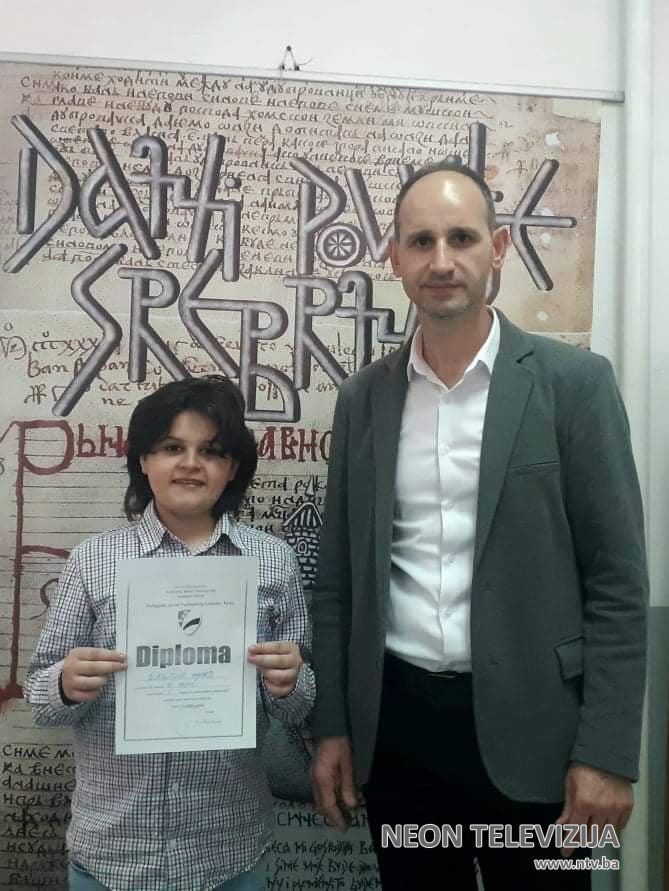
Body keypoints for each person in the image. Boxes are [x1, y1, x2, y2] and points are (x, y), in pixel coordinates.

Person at [309, 161, 648, 889]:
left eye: (460, 238)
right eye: (420, 241)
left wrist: (608, 753)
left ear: (497, 248)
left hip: (540, 737)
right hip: (399, 736)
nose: (441, 261)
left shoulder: (574, 385)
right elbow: (336, 580)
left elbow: (617, 583)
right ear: (394, 257)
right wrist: (332, 724)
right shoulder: (364, 398)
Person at [25, 375, 314, 891]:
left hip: (229, 850)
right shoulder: (94, 561)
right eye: (172, 447)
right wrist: (65, 684)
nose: (190, 463)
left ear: (233, 467)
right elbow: (40, 702)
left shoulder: (273, 562)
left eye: (211, 451)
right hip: (115, 849)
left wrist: (291, 683)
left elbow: (299, 710)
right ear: (143, 459)